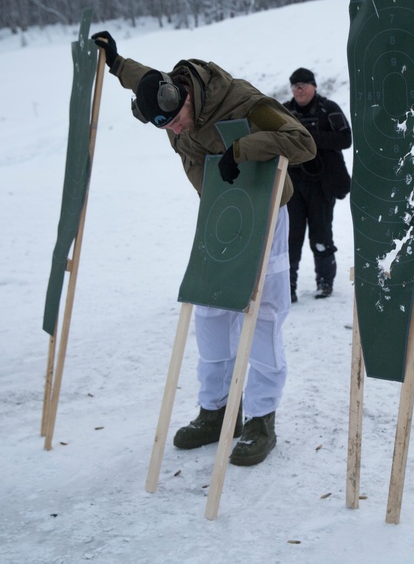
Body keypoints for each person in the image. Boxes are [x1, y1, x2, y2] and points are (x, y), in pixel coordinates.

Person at [91, 31, 315, 466]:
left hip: (265, 212)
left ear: (186, 96)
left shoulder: (244, 103)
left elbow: (302, 142)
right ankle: (215, 412)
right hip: (219, 218)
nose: (173, 130)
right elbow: (144, 78)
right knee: (211, 311)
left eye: (176, 121)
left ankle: (260, 419)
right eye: (164, 126)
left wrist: (244, 148)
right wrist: (116, 63)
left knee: (263, 315)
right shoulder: (167, 100)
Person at [282, 68, 351, 301]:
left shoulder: (328, 109)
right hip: (292, 185)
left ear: (314, 87)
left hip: (322, 184)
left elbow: (345, 138)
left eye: (303, 85)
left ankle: (325, 282)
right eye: (295, 86)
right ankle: (287, 286)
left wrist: (311, 138)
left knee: (321, 235)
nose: (299, 90)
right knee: (291, 237)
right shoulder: (284, 112)